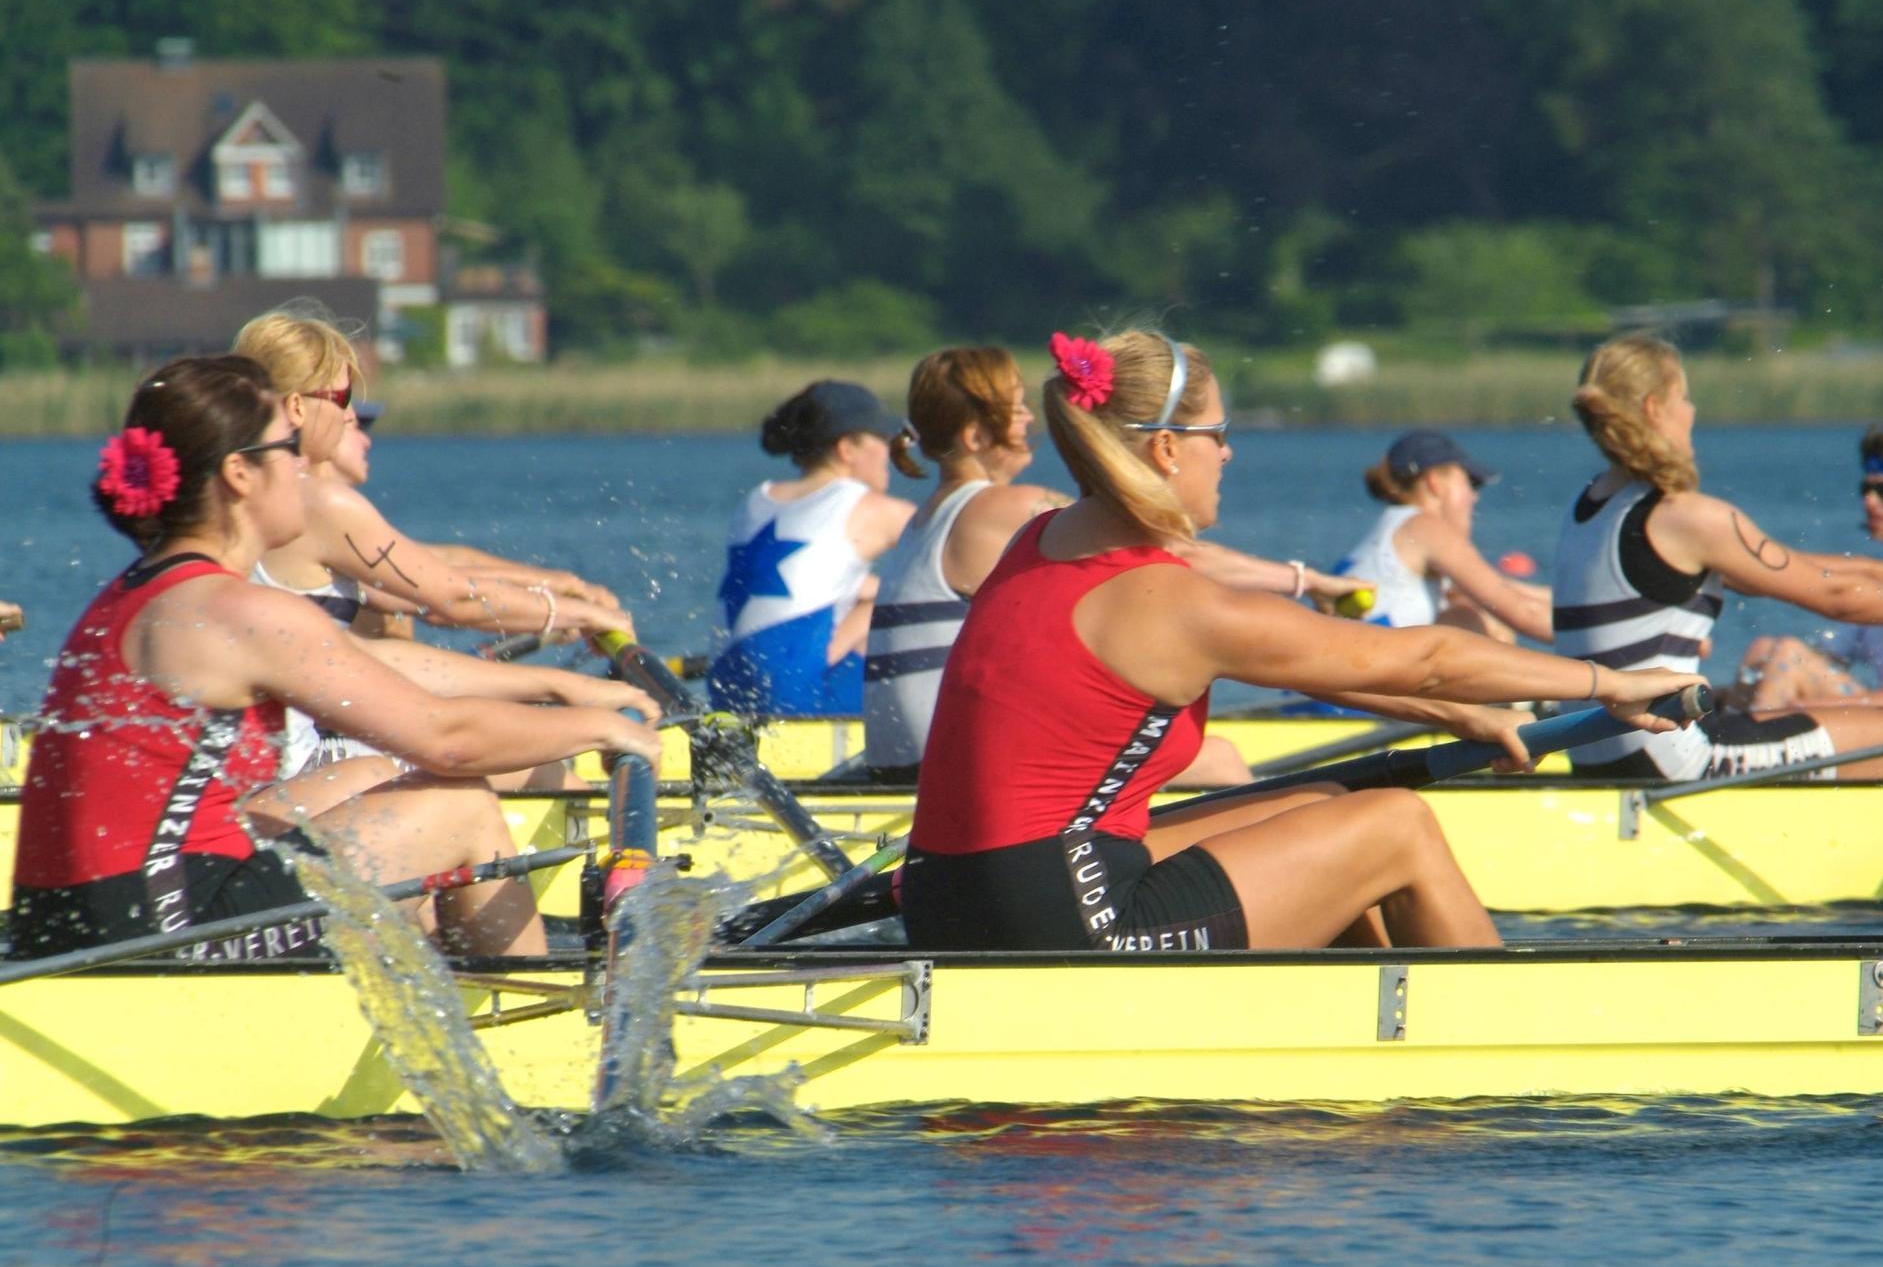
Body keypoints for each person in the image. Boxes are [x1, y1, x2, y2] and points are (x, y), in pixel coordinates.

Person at [899, 329, 1703, 953]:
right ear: (1168, 448)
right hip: (1062, 926)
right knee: (1396, 825)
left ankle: (1361, 1023)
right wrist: (1612, 683)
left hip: (943, 898)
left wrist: (1458, 717)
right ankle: (1503, 1045)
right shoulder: (1173, 604)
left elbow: (1317, 664)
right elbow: (1426, 657)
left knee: (1323, 803)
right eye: (1220, 433)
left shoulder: (1040, 540)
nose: (1230, 452)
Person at [7, 356, 658, 962]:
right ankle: (531, 1042)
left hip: (60, 922)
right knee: (459, 807)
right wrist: (603, 730)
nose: (303, 465)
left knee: (364, 774)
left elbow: (376, 668)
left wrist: (560, 692)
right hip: (155, 939)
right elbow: (447, 739)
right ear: (239, 473)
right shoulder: (239, 611)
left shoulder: (133, 592)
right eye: (288, 448)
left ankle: (423, 965)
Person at [862, 346, 1367, 784]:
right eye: (1015, 410)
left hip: (896, 761)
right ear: (974, 436)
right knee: (1217, 758)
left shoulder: (923, 517)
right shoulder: (1005, 508)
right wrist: (1309, 580)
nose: (1030, 422)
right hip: (943, 770)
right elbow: (1174, 557)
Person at [232, 305, 641, 805]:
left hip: (279, 764)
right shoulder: (314, 501)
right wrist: (579, 614)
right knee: (539, 777)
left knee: (536, 763)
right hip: (302, 770)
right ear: (295, 404)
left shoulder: (246, 490)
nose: (348, 415)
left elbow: (406, 612)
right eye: (340, 397)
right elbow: (451, 599)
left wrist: (555, 671)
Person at [1555, 335, 1883, 782]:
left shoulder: (1587, 506)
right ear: (1656, 408)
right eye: (1685, 397)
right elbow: (1832, 595)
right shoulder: (1687, 515)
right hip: (1675, 761)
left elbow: (1786, 566)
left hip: (1595, 753)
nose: (1692, 411)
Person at [1732, 420, 1883, 716]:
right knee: (1764, 651)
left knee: (1786, 655)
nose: (1870, 501)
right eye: (1867, 488)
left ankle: (1757, 747)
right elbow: (1826, 662)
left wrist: (1807, 707)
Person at [709, 380, 915, 716]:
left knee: (878, 594)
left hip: (725, 693)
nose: (890, 451)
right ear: (847, 448)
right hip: (800, 701)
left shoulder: (757, 501)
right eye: (882, 439)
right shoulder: (869, 508)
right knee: (907, 600)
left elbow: (810, 582)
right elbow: (954, 549)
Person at [1334, 429, 1552, 642]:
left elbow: (1509, 590)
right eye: (1471, 483)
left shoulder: (1395, 527)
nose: (1474, 497)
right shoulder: (1426, 527)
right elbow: (1526, 614)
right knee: (1470, 619)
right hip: (1367, 669)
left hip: (1352, 664)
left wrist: (1582, 602)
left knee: (1471, 609)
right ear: (1434, 482)